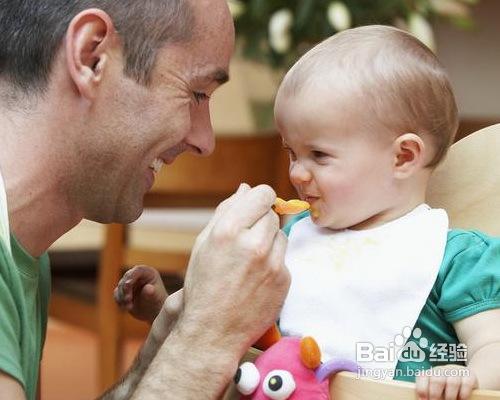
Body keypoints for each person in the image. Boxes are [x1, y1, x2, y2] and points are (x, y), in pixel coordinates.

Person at [122, 25, 500, 400]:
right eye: (292, 153)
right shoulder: (291, 238)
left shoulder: (457, 258)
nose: (296, 173)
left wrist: (467, 374)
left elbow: (493, 346)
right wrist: (167, 309)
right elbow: (233, 324)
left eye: (319, 155)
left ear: (403, 157)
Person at [0, 0, 290, 399]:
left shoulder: (22, 249)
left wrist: (161, 355)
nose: (205, 141)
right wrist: (207, 338)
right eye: (197, 93)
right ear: (93, 56)